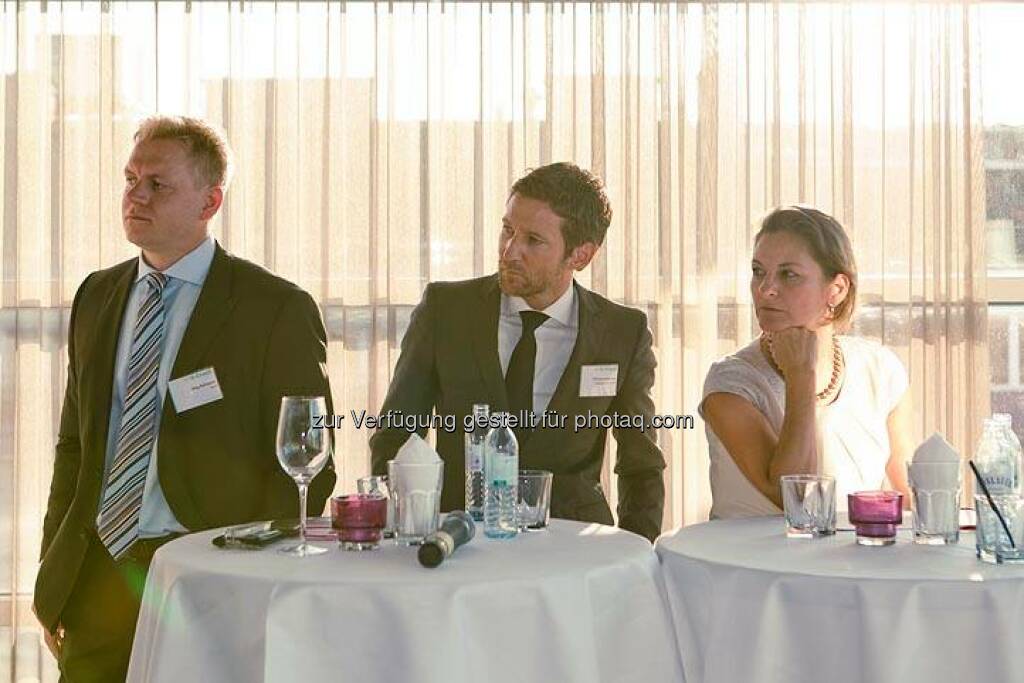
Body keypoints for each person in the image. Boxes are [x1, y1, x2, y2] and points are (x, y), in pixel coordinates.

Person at [33, 116, 336, 681]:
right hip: (96, 575)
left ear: (209, 201)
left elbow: (307, 462)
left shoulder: (273, 308)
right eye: (131, 179)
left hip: (209, 578)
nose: (136, 196)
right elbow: (74, 447)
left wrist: (254, 583)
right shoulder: (96, 295)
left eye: (158, 185)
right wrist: (54, 576)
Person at [369, 162, 665, 541]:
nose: (509, 251)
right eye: (507, 230)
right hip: (461, 538)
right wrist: (402, 530)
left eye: (533, 240)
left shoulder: (623, 332)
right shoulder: (446, 310)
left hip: (573, 545)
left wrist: (638, 550)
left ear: (581, 255)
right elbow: (396, 434)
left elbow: (641, 464)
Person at [699, 206, 912, 519]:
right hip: (746, 552)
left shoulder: (880, 369)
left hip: (852, 550)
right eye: (758, 271)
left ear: (836, 290)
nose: (765, 289)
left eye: (789, 275)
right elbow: (797, 499)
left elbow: (907, 498)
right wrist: (800, 373)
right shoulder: (731, 383)